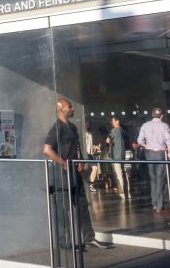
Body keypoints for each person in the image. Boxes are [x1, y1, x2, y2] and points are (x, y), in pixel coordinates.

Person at [43, 97, 111, 250]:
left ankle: (89, 237)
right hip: (62, 174)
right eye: (69, 107)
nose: (73, 109)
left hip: (75, 173)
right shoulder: (57, 128)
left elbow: (77, 148)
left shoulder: (72, 127)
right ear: (61, 109)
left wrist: (80, 161)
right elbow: (47, 150)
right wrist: (64, 163)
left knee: (82, 204)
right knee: (64, 208)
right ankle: (63, 242)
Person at [137, 107, 170, 213]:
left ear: (152, 115)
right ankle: (159, 206)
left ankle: (154, 203)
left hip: (149, 153)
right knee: (160, 179)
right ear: (162, 116)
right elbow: (169, 140)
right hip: (160, 153)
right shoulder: (164, 126)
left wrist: (146, 146)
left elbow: (139, 140)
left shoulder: (145, 125)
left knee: (152, 178)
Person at [106, 116, 127, 199]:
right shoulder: (122, 130)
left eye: (113, 121)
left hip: (116, 155)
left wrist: (110, 143)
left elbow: (107, 140)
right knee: (122, 173)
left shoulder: (114, 130)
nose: (112, 123)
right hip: (122, 155)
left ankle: (121, 192)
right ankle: (122, 191)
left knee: (118, 174)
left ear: (117, 121)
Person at [83, 119, 99, 193]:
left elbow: (90, 144)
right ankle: (89, 185)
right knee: (88, 169)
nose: (87, 124)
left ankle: (90, 185)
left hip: (89, 154)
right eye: (86, 122)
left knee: (95, 168)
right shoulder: (82, 133)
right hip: (84, 154)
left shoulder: (89, 133)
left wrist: (94, 147)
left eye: (88, 122)